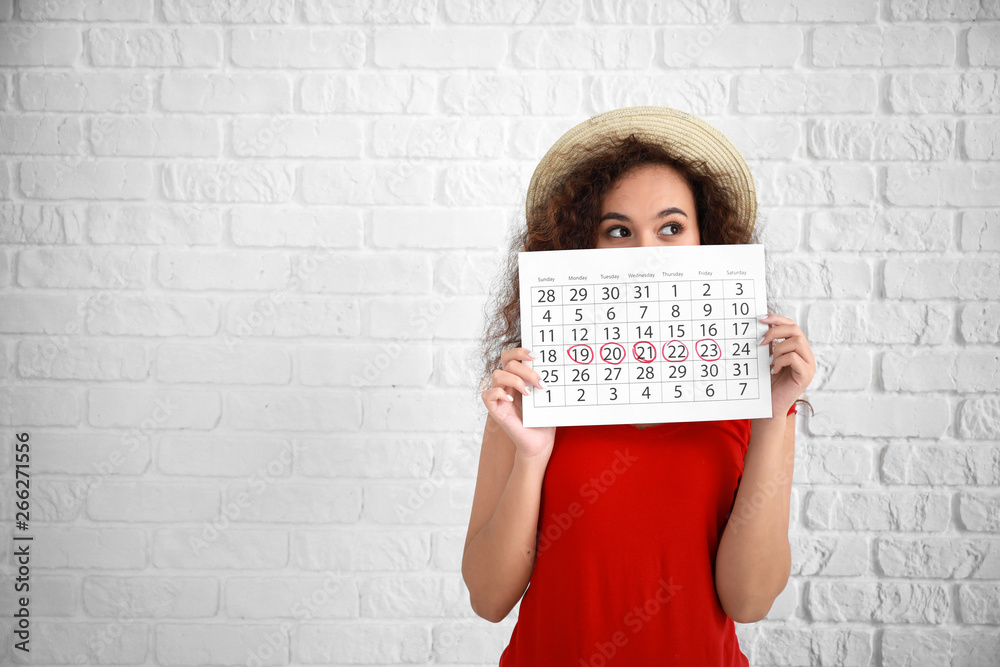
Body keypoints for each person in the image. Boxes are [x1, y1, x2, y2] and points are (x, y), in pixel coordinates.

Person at [462, 106, 817, 665]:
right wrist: (532, 456)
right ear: (584, 245)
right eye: (618, 230)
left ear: (707, 242)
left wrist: (774, 418)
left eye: (671, 228)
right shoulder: (526, 394)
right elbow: (488, 597)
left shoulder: (761, 398)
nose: (647, 251)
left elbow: (748, 602)